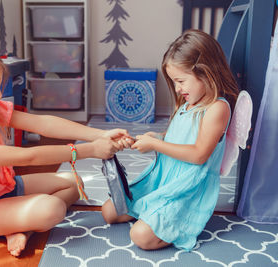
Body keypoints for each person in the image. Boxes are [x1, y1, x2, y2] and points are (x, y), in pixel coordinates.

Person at [0, 38, 130, 257]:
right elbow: (29, 157)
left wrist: (100, 134)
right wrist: (91, 150)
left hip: (3, 189)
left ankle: (19, 227)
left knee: (73, 184)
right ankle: (14, 224)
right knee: (53, 209)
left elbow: (42, 123)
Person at [101, 29, 239, 251]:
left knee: (140, 236)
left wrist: (155, 145)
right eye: (174, 82)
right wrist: (153, 138)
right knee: (109, 210)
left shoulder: (217, 108)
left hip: (186, 188)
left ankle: (169, 223)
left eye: (181, 81)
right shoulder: (187, 104)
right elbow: (178, 138)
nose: (177, 89)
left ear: (206, 73)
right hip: (162, 179)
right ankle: (153, 214)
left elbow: (198, 153)